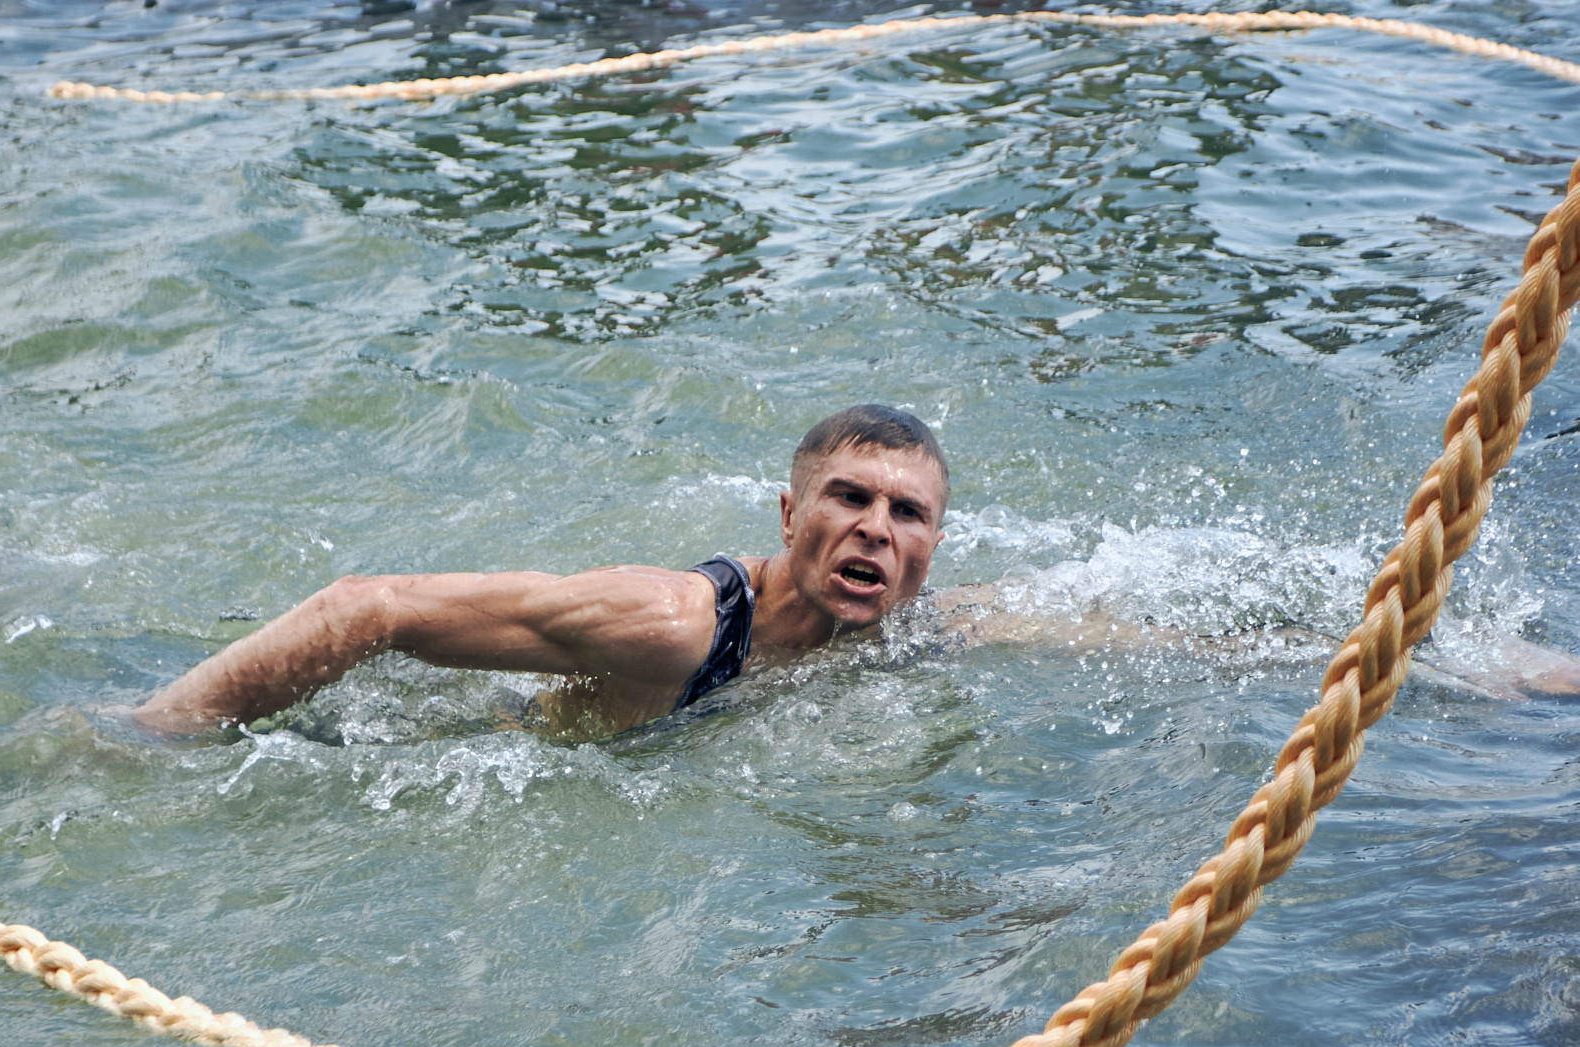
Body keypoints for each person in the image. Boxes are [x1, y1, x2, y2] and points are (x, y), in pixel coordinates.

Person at [126, 402, 1580, 739]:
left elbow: (1163, 631)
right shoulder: (672, 622)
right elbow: (367, 607)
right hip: (437, 758)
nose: (878, 530)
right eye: (850, 500)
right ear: (791, 509)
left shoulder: (918, 631)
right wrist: (150, 743)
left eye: (908, 513)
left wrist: (1486, 667)